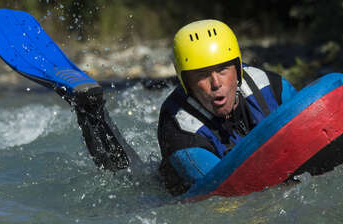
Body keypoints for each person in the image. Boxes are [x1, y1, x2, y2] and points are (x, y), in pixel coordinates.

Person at [72, 19, 297, 196]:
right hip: (172, 191)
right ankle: (91, 112)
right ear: (185, 81)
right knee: (127, 177)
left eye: (223, 70)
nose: (216, 83)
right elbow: (227, 194)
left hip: (243, 157)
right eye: (201, 75)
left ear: (238, 68)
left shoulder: (272, 88)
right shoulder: (180, 130)